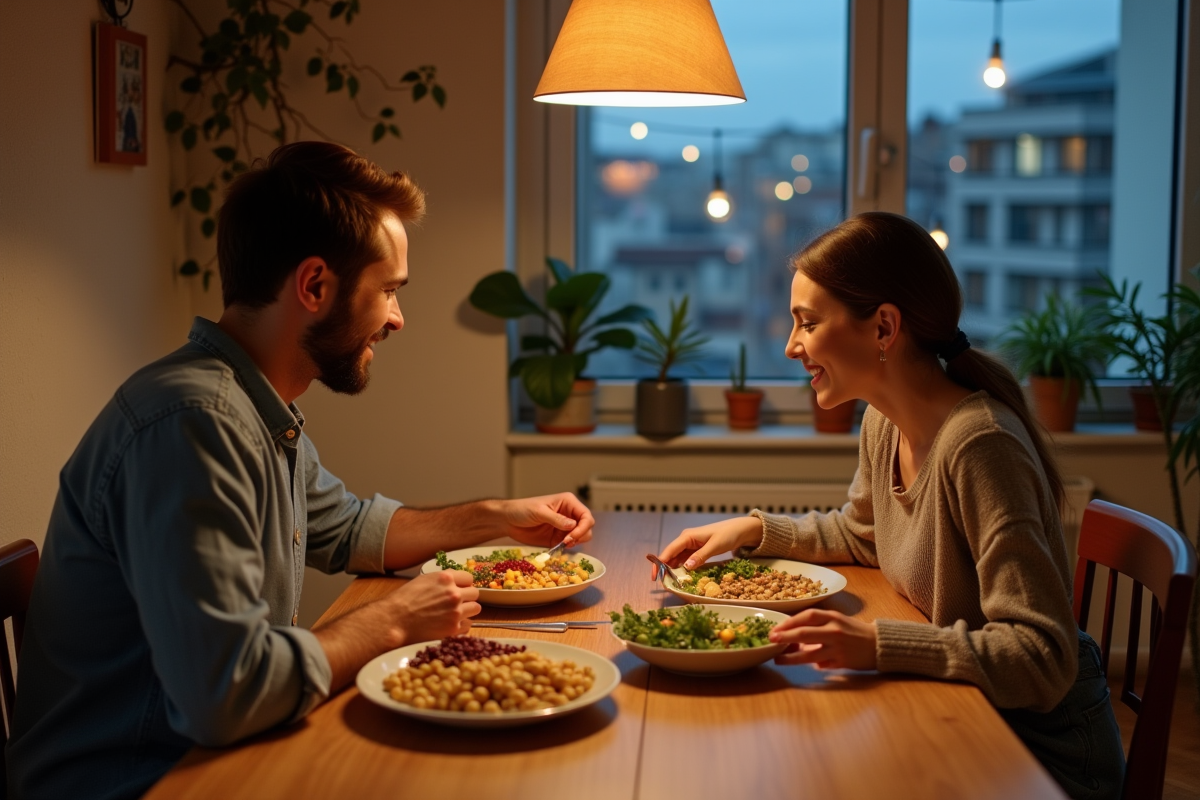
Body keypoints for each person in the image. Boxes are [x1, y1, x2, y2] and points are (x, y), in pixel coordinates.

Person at [6, 142, 595, 800]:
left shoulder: (252, 403)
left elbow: (347, 529)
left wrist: (496, 518)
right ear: (315, 286)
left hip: (205, 761)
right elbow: (226, 696)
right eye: (389, 291)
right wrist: (388, 622)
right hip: (140, 781)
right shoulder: (195, 423)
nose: (398, 318)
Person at [658, 212, 1125, 800]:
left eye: (807, 323)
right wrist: (752, 529)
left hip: (1039, 753)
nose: (791, 345)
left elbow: (1042, 657)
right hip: (962, 711)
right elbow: (864, 535)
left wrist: (877, 646)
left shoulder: (981, 445)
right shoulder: (885, 422)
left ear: (883, 327)